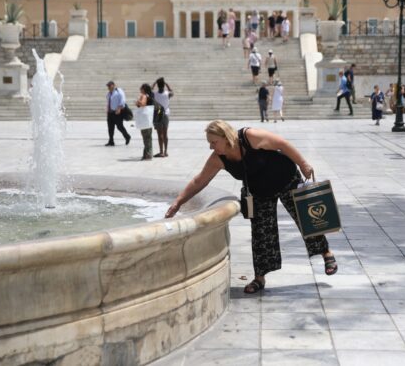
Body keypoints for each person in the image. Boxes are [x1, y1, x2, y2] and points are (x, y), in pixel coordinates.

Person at [164, 120, 339, 294]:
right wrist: (178, 202)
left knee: (305, 218)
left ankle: (326, 253)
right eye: (209, 143)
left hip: (286, 178)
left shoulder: (249, 137)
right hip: (260, 192)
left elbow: (282, 144)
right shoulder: (218, 158)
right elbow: (199, 180)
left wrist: (303, 164)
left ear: (226, 138)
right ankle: (259, 278)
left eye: (213, 142)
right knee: (261, 234)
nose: (211, 147)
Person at [105, 81, 131, 146]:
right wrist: (107, 110)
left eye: (110, 85)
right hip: (110, 113)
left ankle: (127, 136)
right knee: (110, 127)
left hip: (117, 112)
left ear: (113, 85)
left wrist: (119, 108)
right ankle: (111, 141)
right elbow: (108, 103)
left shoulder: (119, 91)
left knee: (119, 126)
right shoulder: (108, 94)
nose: (108, 87)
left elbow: (122, 100)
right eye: (108, 86)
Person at [152, 77, 173, 157]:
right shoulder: (168, 94)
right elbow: (172, 91)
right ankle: (166, 151)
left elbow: (149, 90)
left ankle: (161, 151)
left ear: (157, 85)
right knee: (165, 133)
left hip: (158, 113)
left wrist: (154, 83)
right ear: (164, 85)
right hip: (166, 114)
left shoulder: (155, 94)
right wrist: (167, 84)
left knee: (159, 134)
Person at [136, 84, 154, 160]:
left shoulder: (144, 96)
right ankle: (147, 153)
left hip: (145, 120)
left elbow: (143, 104)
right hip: (148, 119)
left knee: (146, 137)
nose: (140, 89)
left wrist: (138, 101)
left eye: (141, 88)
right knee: (148, 137)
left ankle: (148, 154)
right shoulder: (149, 95)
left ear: (144, 89)